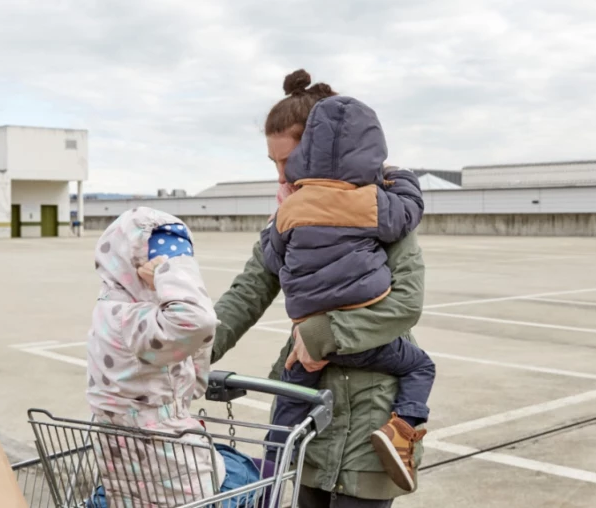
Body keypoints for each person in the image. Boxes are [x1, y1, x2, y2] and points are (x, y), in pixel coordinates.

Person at [212, 69, 427, 507]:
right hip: (309, 416)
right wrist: (189, 350)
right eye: (272, 164)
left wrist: (321, 334)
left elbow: (406, 303)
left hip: (371, 425)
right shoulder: (290, 217)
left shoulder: (380, 212)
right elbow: (249, 291)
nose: (280, 177)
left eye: (286, 162)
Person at [259, 94, 435, 493]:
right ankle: (403, 429)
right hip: (361, 339)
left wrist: (276, 226)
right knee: (421, 366)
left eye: (286, 161)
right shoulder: (373, 204)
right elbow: (409, 210)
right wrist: (399, 177)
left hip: (312, 340)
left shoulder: (291, 208)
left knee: (292, 385)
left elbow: (271, 261)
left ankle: (273, 457)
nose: (281, 174)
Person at [86, 207, 266, 508]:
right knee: (248, 471)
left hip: (126, 486)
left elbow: (190, 375)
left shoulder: (108, 313)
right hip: (178, 484)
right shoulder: (137, 322)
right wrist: (167, 273)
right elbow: (199, 321)